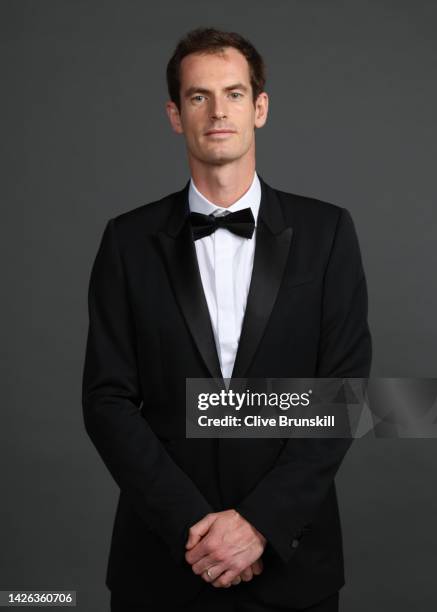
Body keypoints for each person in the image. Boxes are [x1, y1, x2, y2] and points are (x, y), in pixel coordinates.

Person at [82, 27, 372, 612]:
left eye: (234, 94)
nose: (218, 111)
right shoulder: (127, 241)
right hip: (162, 564)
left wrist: (259, 525)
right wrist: (194, 527)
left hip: (293, 566)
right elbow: (106, 400)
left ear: (259, 108)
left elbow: (344, 396)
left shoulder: (329, 232)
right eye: (198, 97)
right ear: (174, 114)